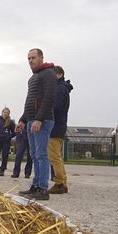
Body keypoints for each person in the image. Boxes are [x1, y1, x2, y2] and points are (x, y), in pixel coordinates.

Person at [16, 48, 57, 200]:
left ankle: (43, 188)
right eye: (28, 58)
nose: (30, 61)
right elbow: (30, 102)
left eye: (33, 57)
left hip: (43, 121)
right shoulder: (33, 77)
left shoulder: (49, 74)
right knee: (34, 155)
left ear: (41, 58)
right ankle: (36, 185)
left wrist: (39, 119)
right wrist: (23, 120)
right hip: (31, 121)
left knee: (41, 155)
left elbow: (49, 98)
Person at [48, 65, 74, 194]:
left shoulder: (59, 89)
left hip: (55, 126)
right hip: (60, 125)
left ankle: (60, 182)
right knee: (56, 155)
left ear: (59, 74)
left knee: (54, 156)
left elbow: (56, 108)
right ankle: (62, 181)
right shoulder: (62, 88)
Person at [0, 107, 16, 176]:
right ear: (2, 113)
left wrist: (9, 137)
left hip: (6, 142)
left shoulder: (11, 122)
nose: (5, 114)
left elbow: (14, 132)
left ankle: (2, 170)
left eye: (7, 113)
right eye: (4, 112)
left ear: (8, 114)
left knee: (5, 156)